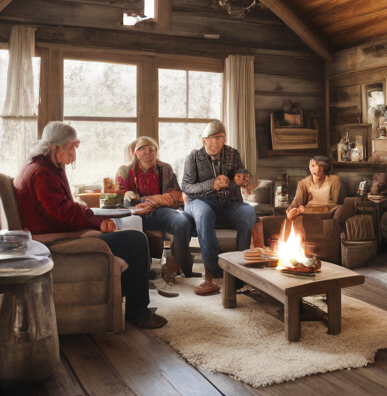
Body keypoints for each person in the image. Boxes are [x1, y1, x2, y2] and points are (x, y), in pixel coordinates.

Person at [14, 121, 167, 329]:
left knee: (130, 237)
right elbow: (62, 211)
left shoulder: (44, 167)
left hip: (56, 231)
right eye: (71, 149)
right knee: (137, 240)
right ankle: (138, 312)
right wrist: (96, 220)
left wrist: (91, 216)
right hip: (55, 240)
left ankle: (121, 300)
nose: (74, 156)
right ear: (55, 147)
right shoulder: (42, 173)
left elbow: (61, 207)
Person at [181, 120, 257, 295]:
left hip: (230, 204)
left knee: (248, 213)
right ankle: (214, 271)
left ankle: (239, 268)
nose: (214, 143)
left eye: (219, 138)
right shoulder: (193, 158)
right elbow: (187, 188)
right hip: (200, 202)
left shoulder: (233, 154)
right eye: (210, 138)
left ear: (224, 138)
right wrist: (212, 184)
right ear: (204, 139)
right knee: (204, 213)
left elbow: (242, 174)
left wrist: (243, 178)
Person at [116, 136, 199, 277]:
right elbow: (122, 198)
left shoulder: (165, 168)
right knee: (132, 225)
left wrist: (146, 200)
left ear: (157, 152)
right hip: (138, 212)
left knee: (183, 223)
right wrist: (157, 199)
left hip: (162, 210)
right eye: (142, 149)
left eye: (152, 149)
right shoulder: (125, 170)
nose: (148, 152)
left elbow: (175, 196)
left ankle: (185, 268)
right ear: (136, 153)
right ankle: (144, 270)